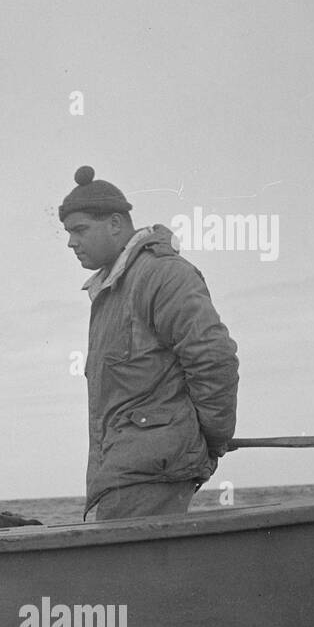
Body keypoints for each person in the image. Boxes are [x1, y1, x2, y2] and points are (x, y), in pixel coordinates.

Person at [60, 166, 239, 520]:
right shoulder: (110, 291)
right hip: (125, 474)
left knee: (129, 573)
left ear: (115, 223)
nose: (71, 242)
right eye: (68, 232)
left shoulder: (162, 274)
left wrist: (212, 440)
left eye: (80, 230)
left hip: (153, 472)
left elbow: (214, 358)